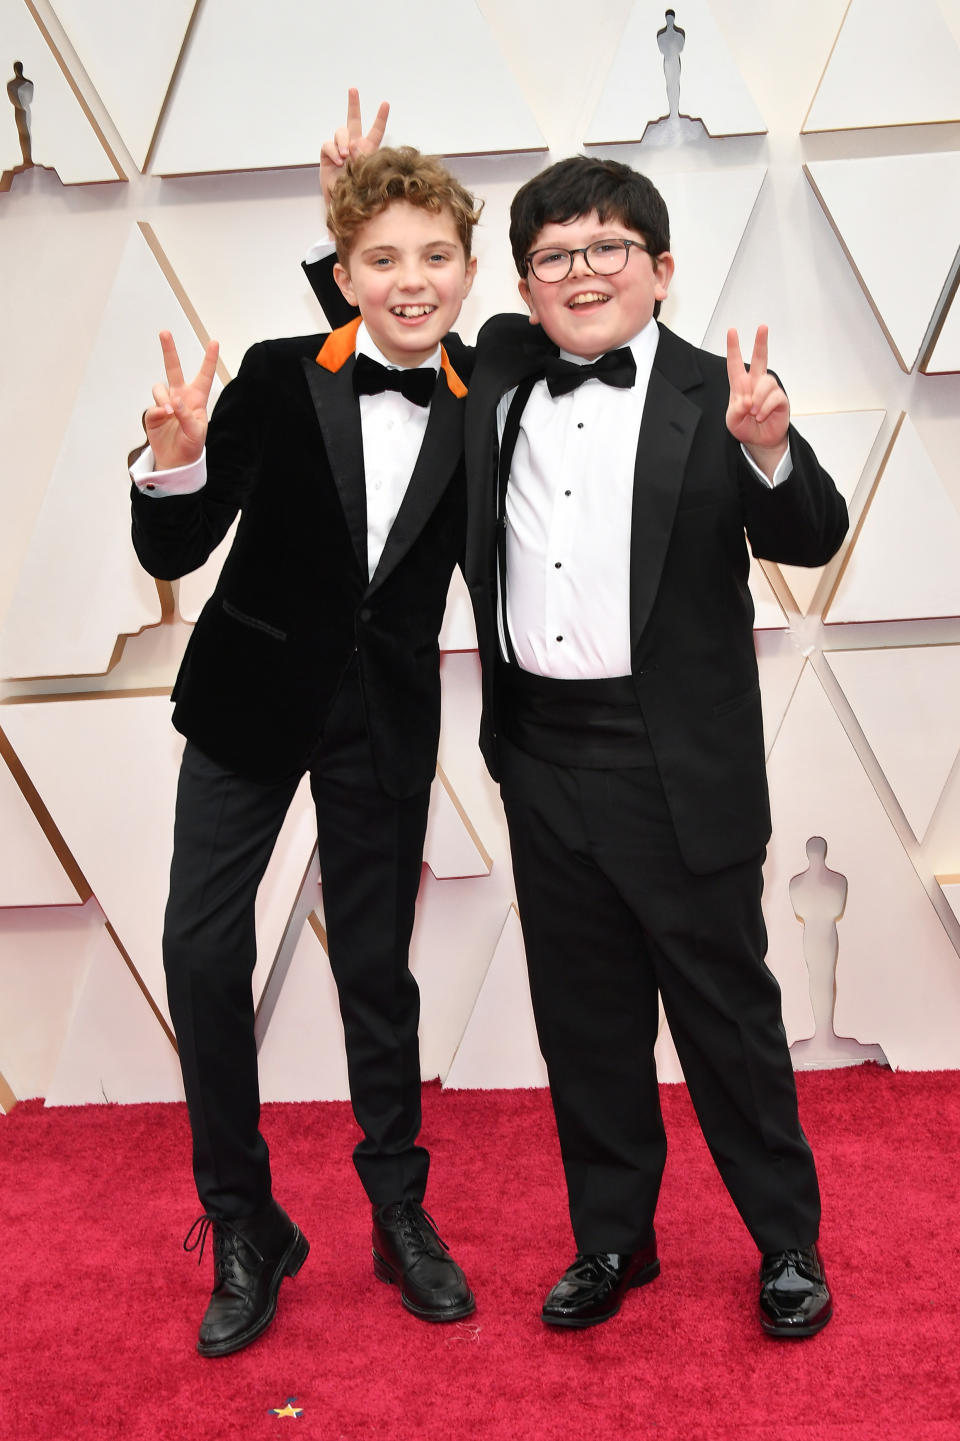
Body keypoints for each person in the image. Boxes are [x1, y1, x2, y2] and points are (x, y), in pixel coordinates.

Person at [313, 116, 847, 1339]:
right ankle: (613, 1241)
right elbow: (383, 321)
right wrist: (346, 211)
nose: (584, 271)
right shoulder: (495, 364)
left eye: (611, 247)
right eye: (554, 255)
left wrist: (771, 452)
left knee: (728, 1019)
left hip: (679, 765)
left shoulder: (724, 392)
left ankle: (786, 1243)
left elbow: (811, 533)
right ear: (521, 286)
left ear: (661, 267)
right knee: (584, 1019)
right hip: (542, 757)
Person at [130, 134, 481, 1357]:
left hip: (382, 716)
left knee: (376, 972)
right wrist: (173, 464)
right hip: (248, 700)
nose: (410, 277)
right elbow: (176, 554)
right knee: (198, 949)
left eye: (435, 255)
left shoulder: (486, 397)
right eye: (380, 257)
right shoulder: (279, 377)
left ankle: (398, 1211)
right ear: (340, 272)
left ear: (470, 269)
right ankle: (245, 1223)